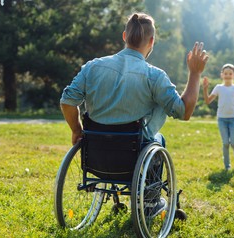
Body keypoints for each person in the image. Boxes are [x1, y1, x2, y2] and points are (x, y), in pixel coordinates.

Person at [60, 12, 208, 215]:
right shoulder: (154, 76)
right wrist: (195, 73)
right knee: (158, 138)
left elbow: (67, 101)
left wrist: (76, 130)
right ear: (152, 41)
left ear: (124, 36)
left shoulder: (92, 67)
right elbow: (183, 112)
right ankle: (150, 202)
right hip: (134, 155)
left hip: (96, 154)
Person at [203, 64, 234, 171]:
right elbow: (208, 101)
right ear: (222, 75)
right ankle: (227, 166)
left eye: (230, 74)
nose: (228, 76)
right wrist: (205, 88)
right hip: (222, 119)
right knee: (226, 143)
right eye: (225, 73)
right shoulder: (218, 88)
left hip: (233, 119)